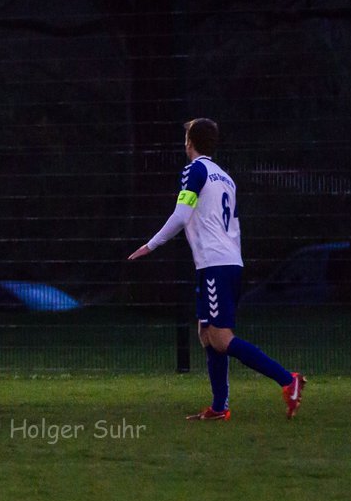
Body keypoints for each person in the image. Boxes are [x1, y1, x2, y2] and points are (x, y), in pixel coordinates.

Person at [128, 118, 305, 420]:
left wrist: (151, 245)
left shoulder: (194, 170)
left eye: (186, 137)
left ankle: (289, 380)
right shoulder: (225, 177)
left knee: (221, 338)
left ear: (190, 143)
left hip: (216, 264)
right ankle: (219, 407)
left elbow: (182, 215)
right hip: (226, 262)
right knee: (206, 334)